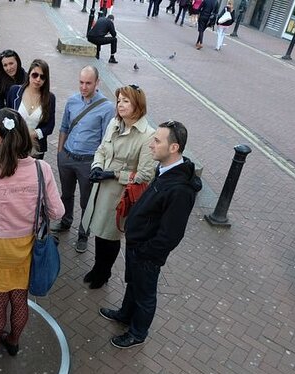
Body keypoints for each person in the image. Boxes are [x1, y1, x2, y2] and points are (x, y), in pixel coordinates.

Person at [0, 109, 64, 359]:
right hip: (29, 245)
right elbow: (57, 211)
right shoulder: (42, 169)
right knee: (20, 299)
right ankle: (13, 341)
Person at [99, 120, 201, 348]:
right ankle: (125, 314)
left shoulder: (180, 190)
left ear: (174, 148)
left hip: (147, 253)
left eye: (157, 141)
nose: (151, 145)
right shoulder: (164, 170)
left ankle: (137, 333)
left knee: (145, 294)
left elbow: (171, 235)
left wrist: (146, 252)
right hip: (138, 246)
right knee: (133, 284)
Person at [81, 85, 156, 289]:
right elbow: (102, 149)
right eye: (119, 100)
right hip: (101, 188)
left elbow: (145, 175)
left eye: (126, 101)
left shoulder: (148, 135)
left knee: (111, 235)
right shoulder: (115, 123)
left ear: (137, 105)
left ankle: (104, 272)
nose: (120, 105)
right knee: (98, 231)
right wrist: (97, 166)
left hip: (119, 195)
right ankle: (98, 268)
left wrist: (113, 174)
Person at [53, 66, 115, 254]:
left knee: (87, 201)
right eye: (81, 82)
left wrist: (99, 165)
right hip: (67, 157)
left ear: (97, 83)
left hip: (88, 161)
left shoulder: (107, 107)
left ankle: (83, 234)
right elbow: (64, 127)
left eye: (88, 83)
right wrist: (60, 153)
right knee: (66, 194)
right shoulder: (72, 101)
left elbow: (106, 140)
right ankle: (66, 221)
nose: (83, 87)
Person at [5, 59, 56, 160]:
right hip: (15, 145)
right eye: (35, 75)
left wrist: (34, 134)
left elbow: (50, 126)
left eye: (42, 77)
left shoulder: (50, 98)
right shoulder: (14, 91)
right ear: (29, 74)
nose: (38, 79)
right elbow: (7, 117)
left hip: (36, 149)